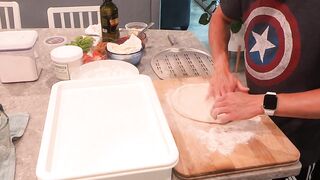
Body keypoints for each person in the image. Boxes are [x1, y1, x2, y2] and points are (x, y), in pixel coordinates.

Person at [208, 0, 320, 179]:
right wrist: (221, 67)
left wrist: (263, 103)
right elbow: (220, 17)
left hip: (297, 147)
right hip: (255, 128)